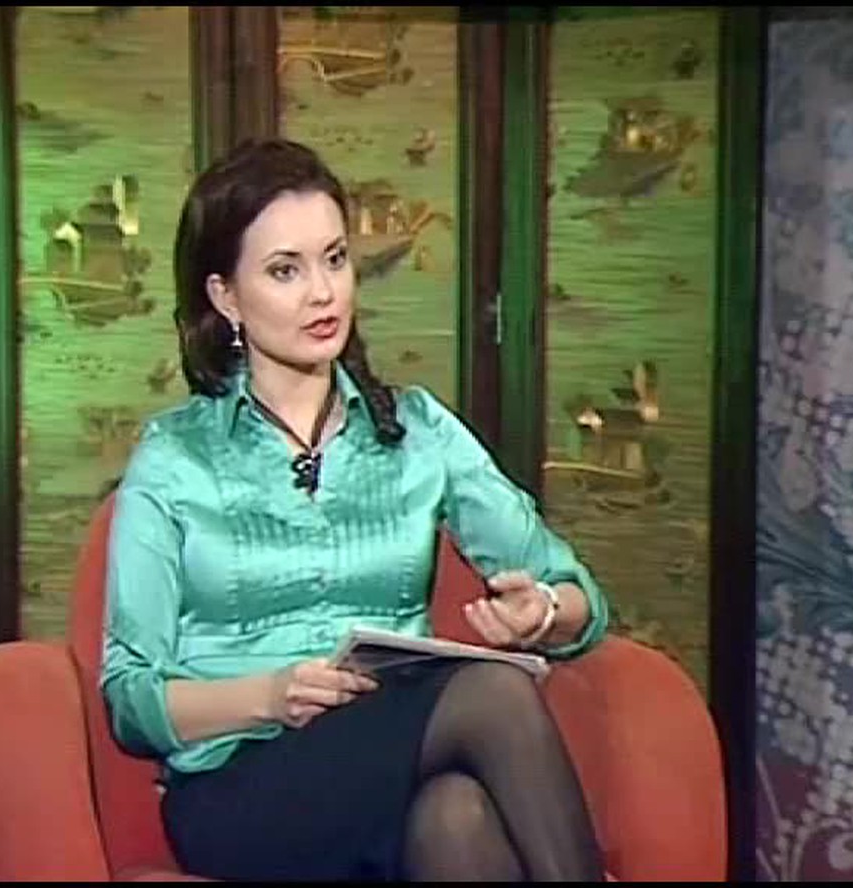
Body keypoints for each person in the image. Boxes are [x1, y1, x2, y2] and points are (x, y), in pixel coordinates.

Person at [101, 138, 610, 882]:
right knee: (493, 692)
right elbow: (130, 699)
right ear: (226, 296)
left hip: (392, 759)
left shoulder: (419, 431)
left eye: (335, 259)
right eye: (285, 270)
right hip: (243, 789)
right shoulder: (175, 458)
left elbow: (578, 598)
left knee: (457, 817)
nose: (323, 293)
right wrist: (270, 696)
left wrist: (543, 613)